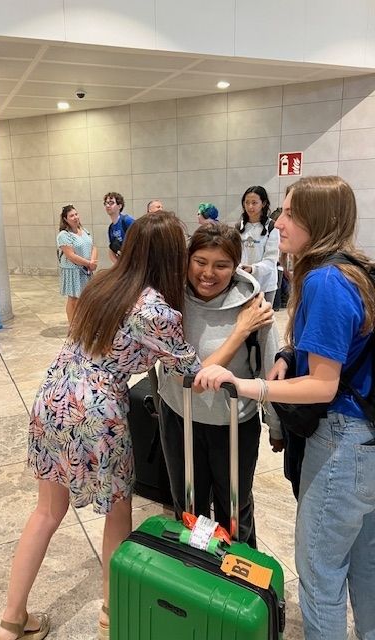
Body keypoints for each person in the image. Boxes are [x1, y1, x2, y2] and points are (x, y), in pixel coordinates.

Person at [0, 211, 229, 640]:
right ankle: (111, 611)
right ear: (174, 257)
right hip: (97, 406)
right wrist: (243, 327)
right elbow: (194, 376)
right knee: (117, 509)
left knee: (47, 511)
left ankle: (12, 620)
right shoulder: (156, 310)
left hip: (54, 391)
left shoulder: (104, 284)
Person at [195, 176, 375, 640]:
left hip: (344, 442)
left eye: (291, 213)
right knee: (364, 567)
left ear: (320, 220)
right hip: (367, 444)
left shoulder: (325, 280)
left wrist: (246, 385)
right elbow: (340, 352)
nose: (280, 221)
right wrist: (288, 355)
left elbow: (322, 385)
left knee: (320, 575)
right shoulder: (356, 269)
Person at [158, 223, 283, 547]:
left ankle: (242, 581)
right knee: (188, 506)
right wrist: (238, 332)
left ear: (236, 266)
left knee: (235, 508)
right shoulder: (170, 302)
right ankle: (195, 574)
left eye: (221, 265)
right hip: (179, 418)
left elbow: (271, 370)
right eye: (200, 261)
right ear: (187, 259)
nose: (208, 273)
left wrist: (276, 424)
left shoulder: (253, 306)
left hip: (232, 424)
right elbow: (186, 376)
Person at [237, 186, 280, 304]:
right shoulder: (238, 227)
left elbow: (271, 260)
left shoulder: (272, 227)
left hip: (265, 284)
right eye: (247, 202)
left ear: (264, 203)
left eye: (254, 203)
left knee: (264, 319)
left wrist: (253, 268)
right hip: (244, 282)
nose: (250, 206)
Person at [57, 204, 97, 323]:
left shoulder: (84, 231)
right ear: (65, 219)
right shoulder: (64, 235)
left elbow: (93, 246)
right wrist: (88, 263)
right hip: (73, 271)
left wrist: (92, 262)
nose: (75, 217)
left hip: (86, 270)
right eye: (71, 216)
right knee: (74, 299)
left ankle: (83, 324)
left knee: (86, 298)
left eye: (76, 214)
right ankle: (73, 327)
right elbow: (71, 256)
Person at [104, 191, 134, 263]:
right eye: (106, 203)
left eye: (111, 203)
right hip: (123, 263)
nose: (108, 206)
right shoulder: (111, 228)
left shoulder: (127, 220)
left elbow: (141, 241)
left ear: (119, 206)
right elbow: (112, 249)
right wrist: (118, 265)